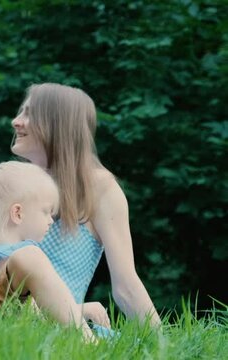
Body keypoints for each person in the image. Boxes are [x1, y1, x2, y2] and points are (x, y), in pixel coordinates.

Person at [9, 83, 161, 325]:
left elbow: (126, 286)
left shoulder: (101, 189)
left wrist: (164, 348)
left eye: (29, 114)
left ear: (57, 123)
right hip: (4, 325)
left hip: (64, 333)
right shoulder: (12, 184)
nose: (16, 121)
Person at [0, 160, 108, 339]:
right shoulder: (15, 258)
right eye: (46, 212)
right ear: (17, 213)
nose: (51, 221)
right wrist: (82, 310)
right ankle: (89, 344)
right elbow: (37, 319)